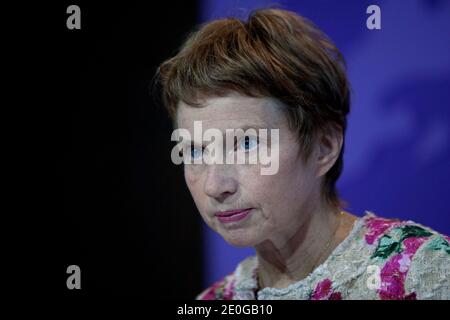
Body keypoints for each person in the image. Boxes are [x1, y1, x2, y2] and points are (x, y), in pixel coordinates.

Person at [155, 8, 450, 299]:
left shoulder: (424, 275)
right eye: (195, 150)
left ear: (325, 146)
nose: (215, 186)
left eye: (246, 144)